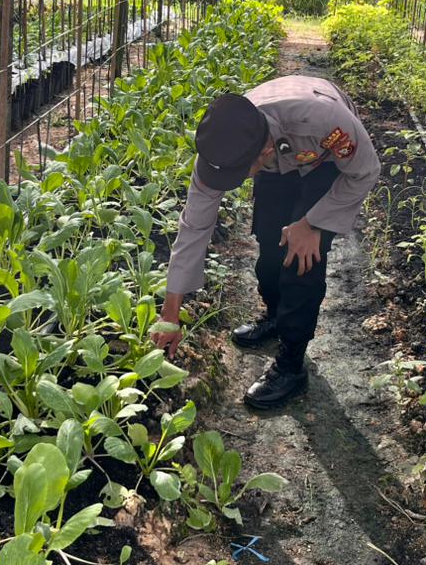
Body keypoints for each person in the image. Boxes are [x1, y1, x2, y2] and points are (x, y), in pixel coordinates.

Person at [151, 75, 380, 408]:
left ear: (265, 151)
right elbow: (193, 228)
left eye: (238, 174)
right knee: (270, 242)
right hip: (277, 158)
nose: (231, 182)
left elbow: (365, 170)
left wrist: (311, 223)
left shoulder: (326, 121)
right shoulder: (222, 147)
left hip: (326, 161)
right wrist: (170, 314)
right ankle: (275, 315)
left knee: (300, 258)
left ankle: (291, 364)